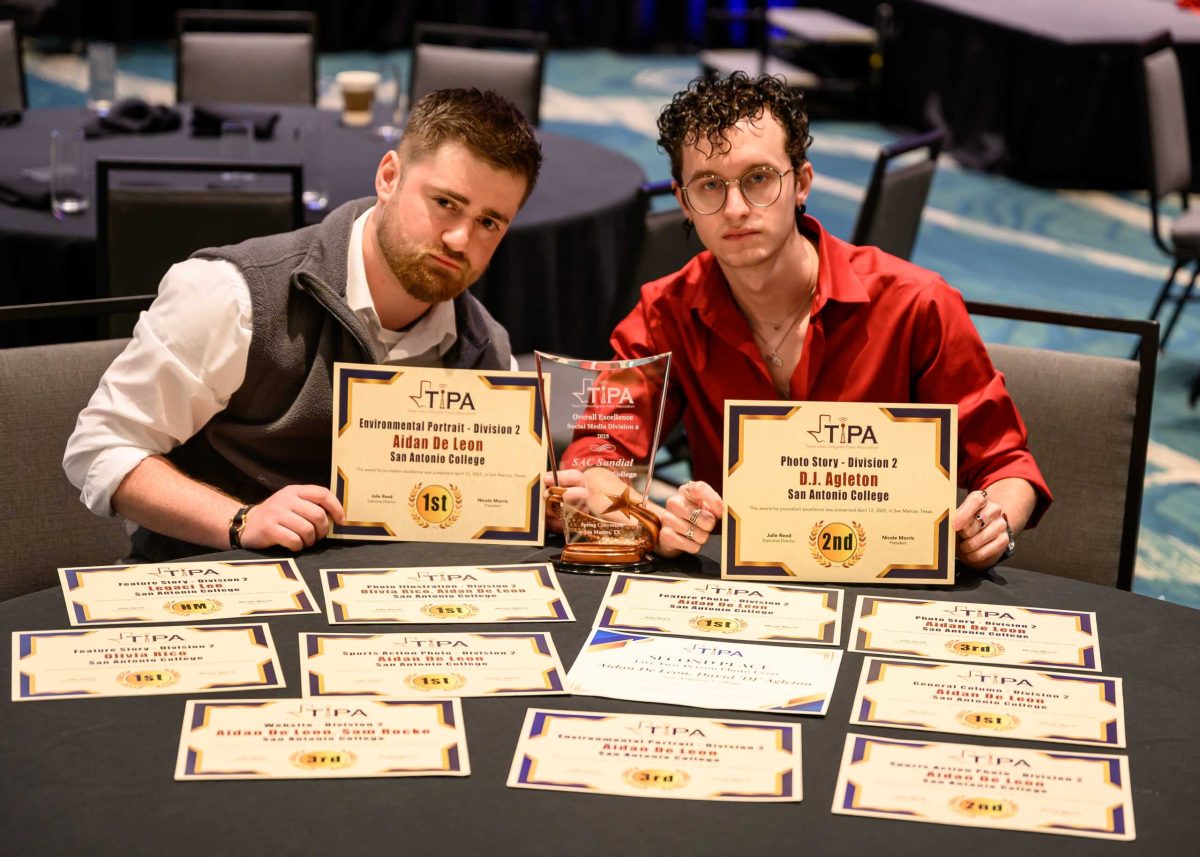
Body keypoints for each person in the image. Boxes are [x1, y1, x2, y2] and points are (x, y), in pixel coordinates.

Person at [553, 72, 1050, 570]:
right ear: (684, 203)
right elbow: (600, 452)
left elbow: (1007, 467)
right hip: (743, 585)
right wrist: (650, 519)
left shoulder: (917, 303)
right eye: (709, 186)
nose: (736, 209)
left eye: (759, 179)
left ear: (802, 184)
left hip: (893, 577)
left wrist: (994, 526)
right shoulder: (665, 312)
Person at [64, 88, 543, 561]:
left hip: (377, 608)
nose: (460, 239)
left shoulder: (485, 349)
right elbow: (102, 448)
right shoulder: (235, 294)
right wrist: (239, 520)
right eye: (445, 203)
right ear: (389, 177)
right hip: (214, 582)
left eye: (489, 223)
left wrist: (534, 501)